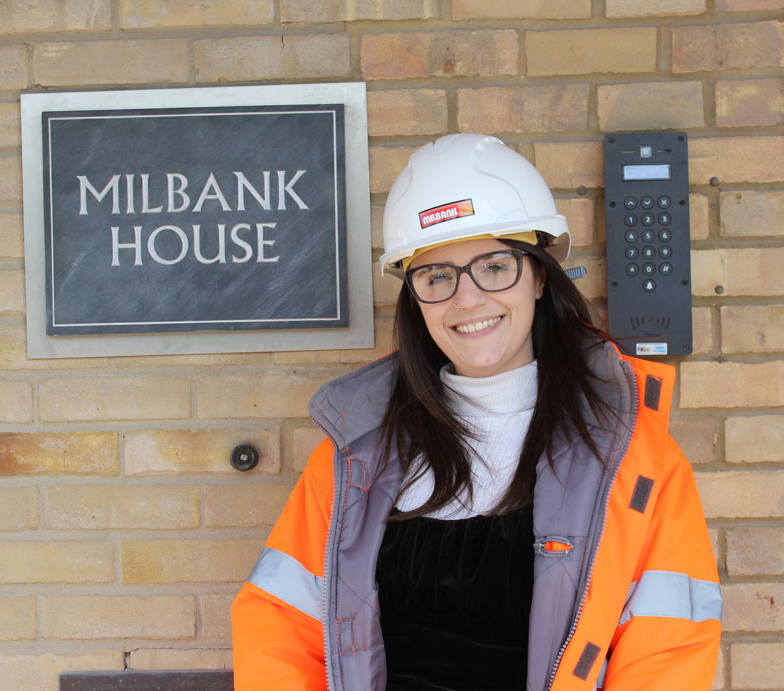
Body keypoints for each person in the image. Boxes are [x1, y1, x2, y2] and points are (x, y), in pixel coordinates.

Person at [231, 134, 721, 690]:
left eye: (494, 266)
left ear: (539, 275)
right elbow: (278, 633)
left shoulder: (632, 459)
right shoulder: (353, 459)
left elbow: (667, 653)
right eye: (437, 275)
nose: (467, 299)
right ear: (415, 298)